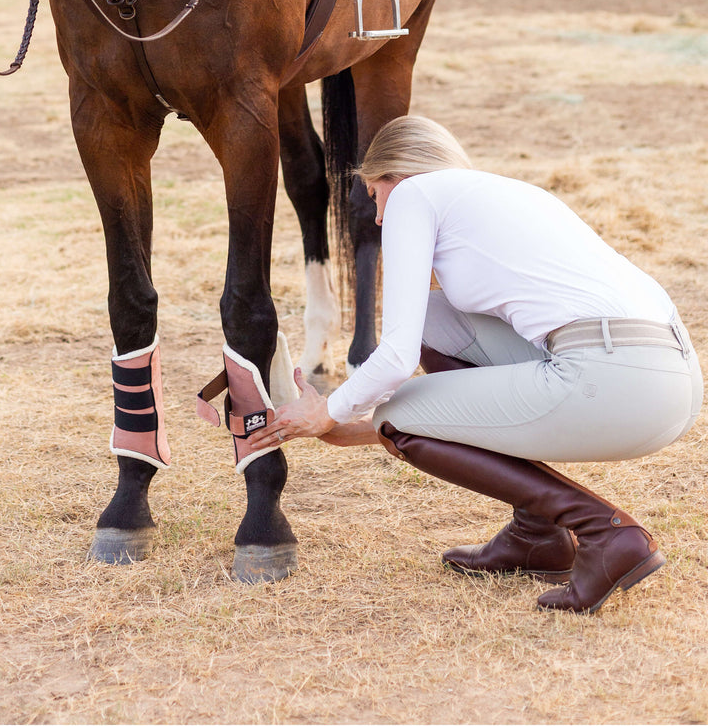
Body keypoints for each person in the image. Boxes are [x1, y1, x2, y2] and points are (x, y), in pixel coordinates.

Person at [245, 116, 702, 614]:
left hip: (612, 378)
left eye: (374, 195)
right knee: (432, 322)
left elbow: (396, 357)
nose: (376, 218)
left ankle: (604, 533)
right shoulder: (508, 193)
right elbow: (423, 345)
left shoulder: (412, 195)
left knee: (401, 409)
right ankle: (536, 533)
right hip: (670, 380)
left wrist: (329, 410)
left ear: (397, 175)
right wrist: (346, 424)